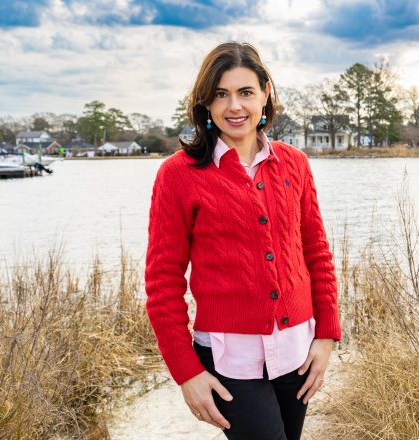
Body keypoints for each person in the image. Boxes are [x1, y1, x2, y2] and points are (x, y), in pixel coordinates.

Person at [144, 41, 341, 439]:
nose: (234, 106)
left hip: (297, 353)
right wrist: (187, 373)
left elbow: (316, 252)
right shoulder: (178, 174)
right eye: (221, 94)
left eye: (245, 92)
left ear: (265, 94)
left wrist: (326, 336)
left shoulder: (295, 164)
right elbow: (163, 281)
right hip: (229, 359)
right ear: (206, 105)